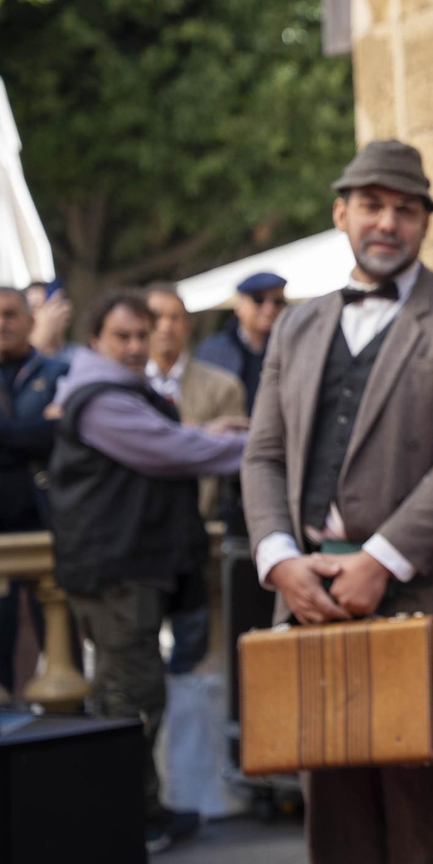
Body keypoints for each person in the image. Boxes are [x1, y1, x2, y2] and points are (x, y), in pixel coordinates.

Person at [241, 139, 433, 864]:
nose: (387, 222)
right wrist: (277, 559)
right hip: (307, 601)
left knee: (427, 827)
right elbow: (262, 453)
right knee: (334, 828)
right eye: (371, 205)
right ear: (341, 213)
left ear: (426, 222)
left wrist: (382, 559)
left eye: (404, 208)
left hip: (419, 598)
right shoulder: (296, 325)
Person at [48, 291, 248, 853]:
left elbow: (167, 442)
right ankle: (127, 820)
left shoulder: (111, 391)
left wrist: (216, 436)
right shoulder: (99, 397)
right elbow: (169, 450)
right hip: (117, 571)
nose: (137, 346)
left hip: (130, 566)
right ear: (95, 340)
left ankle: (143, 810)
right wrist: (256, 446)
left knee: (135, 693)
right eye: (124, 336)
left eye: (143, 334)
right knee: (127, 698)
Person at [145, 283, 248, 676]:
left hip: (197, 532)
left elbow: (231, 457)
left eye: (175, 318)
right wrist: (205, 432)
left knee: (197, 663)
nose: (165, 327)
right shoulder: (120, 387)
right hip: (136, 538)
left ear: (187, 326)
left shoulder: (222, 386)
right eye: (156, 318)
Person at [0, 285, 70, 695]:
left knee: (60, 641)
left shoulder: (60, 372)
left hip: (50, 521)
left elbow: (63, 437)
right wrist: (32, 434)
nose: (0, 324)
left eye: (9, 314)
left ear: (31, 321)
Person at [196, 270, 287, 411]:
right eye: (259, 300)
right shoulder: (213, 351)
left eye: (277, 301)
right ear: (239, 305)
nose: (269, 309)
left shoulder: (291, 349)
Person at [25, 280, 77, 362]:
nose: (34, 315)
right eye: (33, 308)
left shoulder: (81, 359)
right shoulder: (14, 358)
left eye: (46, 306)